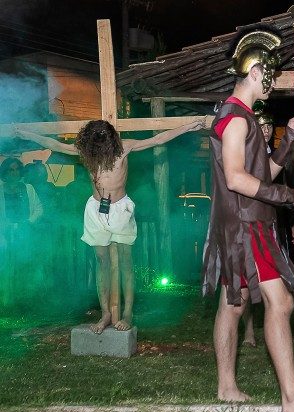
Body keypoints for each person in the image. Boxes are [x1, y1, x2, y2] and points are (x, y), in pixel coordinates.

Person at [200, 27, 294, 412]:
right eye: (270, 73)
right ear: (253, 70)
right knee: (280, 304)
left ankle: (227, 387)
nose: (272, 82)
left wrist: (290, 138)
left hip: (241, 223)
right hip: (248, 227)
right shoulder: (235, 118)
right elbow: (236, 178)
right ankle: (293, 398)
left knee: (234, 304)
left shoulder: (241, 117)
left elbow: (266, 172)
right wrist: (290, 197)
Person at [15, 119, 203, 334]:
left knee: (125, 262)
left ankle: (127, 313)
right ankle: (105, 313)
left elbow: (158, 139)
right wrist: (28, 134)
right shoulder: (86, 152)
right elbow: (55, 144)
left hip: (120, 208)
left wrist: (188, 126)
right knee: (101, 260)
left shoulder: (123, 148)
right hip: (95, 209)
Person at [241, 100, 294, 348]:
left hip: (274, 222)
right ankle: (248, 332)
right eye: (261, 125)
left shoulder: (276, 154)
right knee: (241, 291)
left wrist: (293, 220)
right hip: (249, 224)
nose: (266, 131)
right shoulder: (245, 154)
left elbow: (282, 185)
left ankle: (275, 328)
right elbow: (260, 187)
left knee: (276, 284)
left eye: (268, 126)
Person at [0, 158, 43, 306]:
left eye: (17, 169)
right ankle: (7, 301)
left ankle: (26, 300)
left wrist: (28, 222)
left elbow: (39, 209)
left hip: (26, 233)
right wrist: (6, 225)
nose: (14, 172)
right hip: (5, 235)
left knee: (26, 266)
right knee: (7, 267)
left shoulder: (28, 188)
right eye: (10, 170)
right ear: (4, 172)